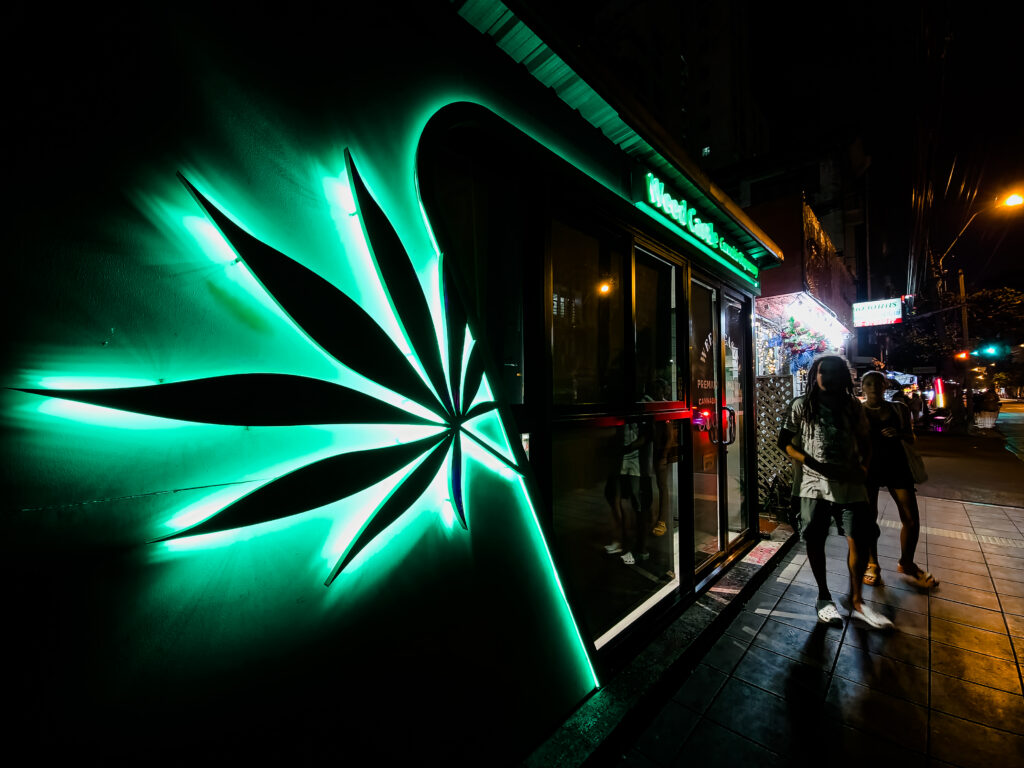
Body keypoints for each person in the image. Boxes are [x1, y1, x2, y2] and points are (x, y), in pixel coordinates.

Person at [777, 355, 893, 629]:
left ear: (843, 377)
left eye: (832, 372)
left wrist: (864, 469)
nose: (826, 376)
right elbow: (784, 442)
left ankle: (857, 600)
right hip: (812, 485)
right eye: (821, 371)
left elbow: (866, 441)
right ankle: (824, 597)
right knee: (816, 539)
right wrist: (811, 463)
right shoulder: (801, 406)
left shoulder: (853, 406)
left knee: (860, 538)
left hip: (851, 484)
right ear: (814, 375)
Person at [859, 370, 937, 589]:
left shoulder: (899, 409)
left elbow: (911, 437)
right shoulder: (856, 411)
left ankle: (907, 562)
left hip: (896, 464)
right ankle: (872, 563)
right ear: (862, 387)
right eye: (869, 383)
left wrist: (899, 434)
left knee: (911, 518)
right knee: (868, 519)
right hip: (868, 467)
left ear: (885, 386)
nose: (874, 387)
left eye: (878, 383)